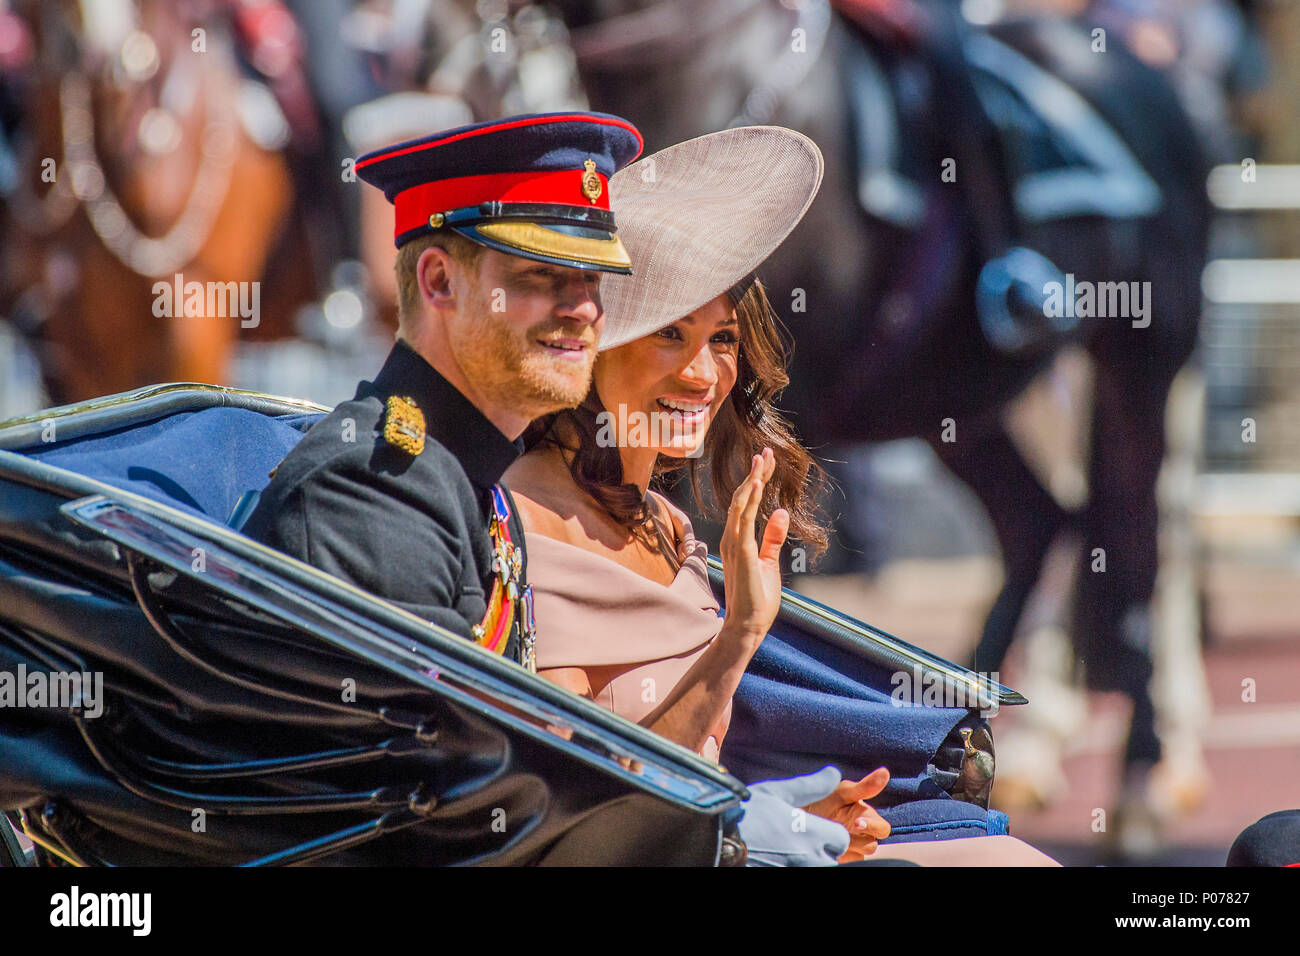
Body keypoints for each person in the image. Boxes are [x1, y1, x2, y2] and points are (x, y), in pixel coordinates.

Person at [243, 112, 855, 866]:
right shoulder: (373, 489)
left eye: (593, 280)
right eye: (542, 277)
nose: (585, 311)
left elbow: (533, 781)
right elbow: (450, 817)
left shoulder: (454, 476)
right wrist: (722, 835)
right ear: (438, 281)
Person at [505, 127, 1060, 866]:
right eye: (670, 334)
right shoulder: (527, 525)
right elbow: (591, 802)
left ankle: (1002, 256)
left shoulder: (663, 521)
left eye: (724, 339)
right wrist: (739, 635)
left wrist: (802, 816)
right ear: (592, 343)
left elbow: (704, 780)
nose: (705, 374)